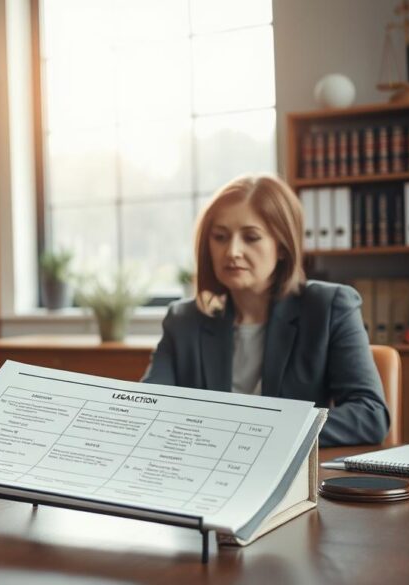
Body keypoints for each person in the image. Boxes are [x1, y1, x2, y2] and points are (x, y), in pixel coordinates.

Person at [141, 174, 389, 447]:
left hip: (288, 473)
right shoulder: (183, 319)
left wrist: (262, 436)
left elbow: (369, 414)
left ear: (282, 247)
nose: (232, 251)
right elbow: (150, 406)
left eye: (251, 237)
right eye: (220, 237)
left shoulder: (329, 307)